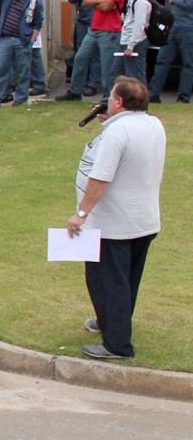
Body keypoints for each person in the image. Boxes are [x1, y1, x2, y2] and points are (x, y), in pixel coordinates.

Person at [66, 78, 165, 359]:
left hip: (114, 224)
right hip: (143, 220)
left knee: (108, 280)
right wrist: (109, 122)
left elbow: (100, 178)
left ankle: (117, 344)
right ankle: (109, 320)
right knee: (126, 280)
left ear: (119, 102)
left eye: (111, 97)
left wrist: (81, 213)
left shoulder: (117, 133)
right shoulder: (153, 124)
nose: (107, 100)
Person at [57, 0, 124, 103]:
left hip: (109, 31)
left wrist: (97, 1)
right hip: (93, 29)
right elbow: (86, 2)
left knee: (107, 66)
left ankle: (107, 98)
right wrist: (100, 1)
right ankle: (75, 92)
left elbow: (107, 7)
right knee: (80, 58)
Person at [110, 0, 152, 85]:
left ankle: (140, 102)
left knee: (135, 77)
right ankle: (107, 101)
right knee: (115, 74)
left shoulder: (141, 1)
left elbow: (139, 26)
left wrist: (131, 46)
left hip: (134, 44)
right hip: (125, 41)